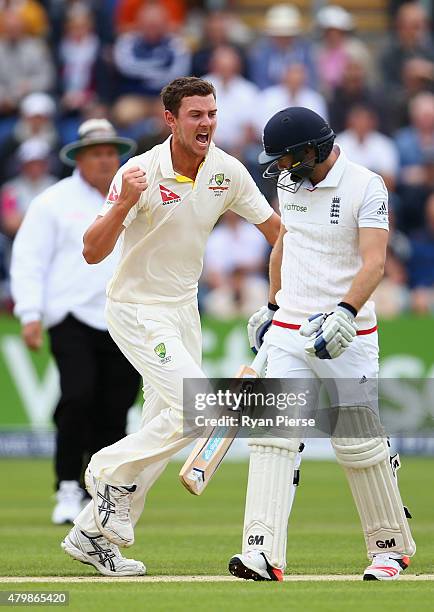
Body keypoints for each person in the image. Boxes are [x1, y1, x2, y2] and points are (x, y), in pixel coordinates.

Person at [61, 76, 280, 577]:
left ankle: (92, 535)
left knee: (168, 430)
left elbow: (276, 231)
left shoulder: (227, 171)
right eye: (195, 115)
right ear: (171, 120)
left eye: (211, 113)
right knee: (199, 409)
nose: (206, 123)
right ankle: (105, 471)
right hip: (137, 307)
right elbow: (92, 251)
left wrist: (280, 301)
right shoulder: (138, 171)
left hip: (184, 312)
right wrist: (122, 203)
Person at [228, 107, 415, 581]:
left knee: (357, 443)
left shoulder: (366, 184)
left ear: (313, 149)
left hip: (346, 333)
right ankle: (261, 553)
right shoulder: (290, 182)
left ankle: (389, 549)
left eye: (289, 158)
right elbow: (285, 244)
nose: (282, 169)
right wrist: (272, 308)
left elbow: (374, 262)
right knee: (273, 439)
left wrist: (346, 311)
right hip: (291, 329)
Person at [10, 119, 141, 525]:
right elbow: (29, 259)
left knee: (116, 408)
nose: (105, 160)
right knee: (78, 397)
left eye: (110, 153)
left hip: (124, 316)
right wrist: (30, 313)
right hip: (70, 315)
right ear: (79, 158)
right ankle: (68, 485)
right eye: (96, 153)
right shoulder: (53, 201)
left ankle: (102, 492)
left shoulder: (136, 197)